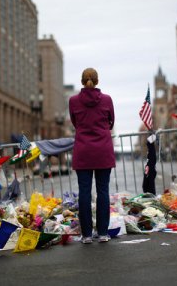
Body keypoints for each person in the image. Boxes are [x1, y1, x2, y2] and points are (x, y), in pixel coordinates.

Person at [69, 68, 115, 244]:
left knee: (84, 193)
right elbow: (111, 122)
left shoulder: (73, 101)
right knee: (103, 191)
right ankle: (103, 233)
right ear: (97, 81)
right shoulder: (106, 99)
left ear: (82, 81)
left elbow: (75, 123)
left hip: (83, 151)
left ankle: (87, 235)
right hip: (103, 150)